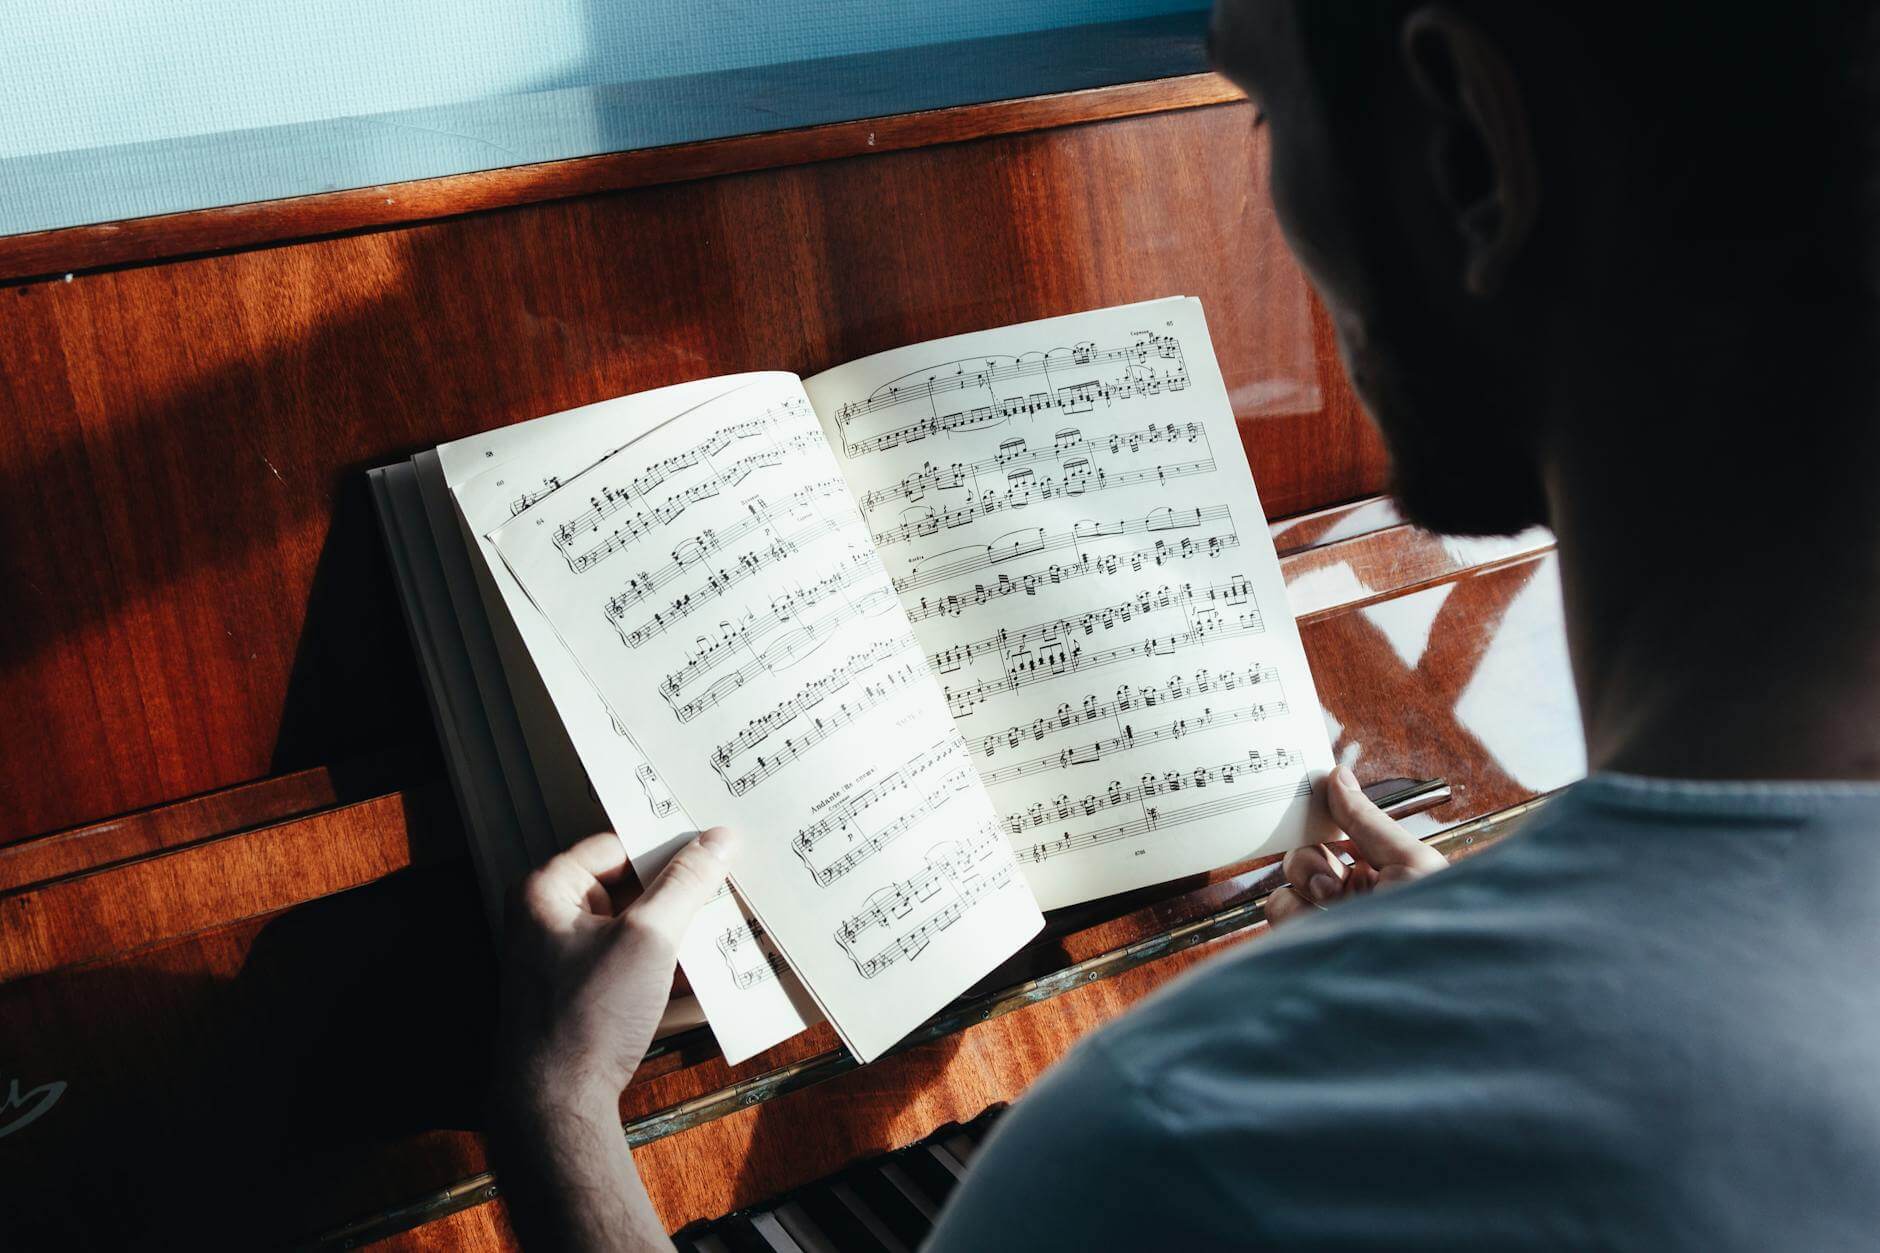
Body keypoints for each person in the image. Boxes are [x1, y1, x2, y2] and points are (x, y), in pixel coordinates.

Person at [494, 1, 1880, 1247]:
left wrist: (556, 1104)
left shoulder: (1182, 1143)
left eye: (1262, 110)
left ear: (1467, 150)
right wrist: (1494, 949)